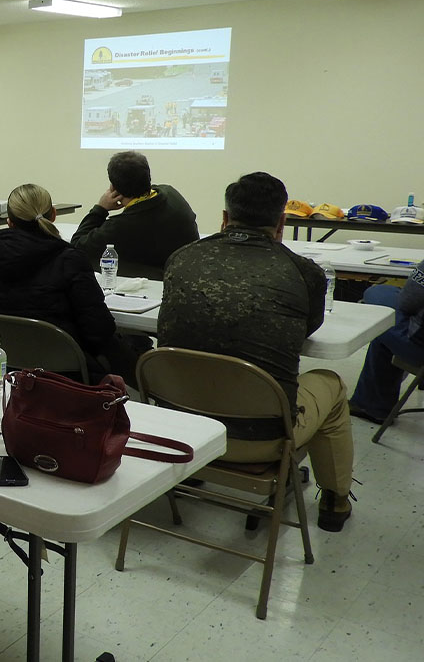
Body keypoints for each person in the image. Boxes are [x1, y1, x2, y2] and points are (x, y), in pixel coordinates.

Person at [159, 172, 356, 532]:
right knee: (331, 383)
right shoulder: (303, 272)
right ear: (282, 222)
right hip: (260, 439)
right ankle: (335, 501)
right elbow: (303, 331)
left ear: (224, 217)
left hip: (181, 425)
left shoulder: (182, 258)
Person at [0, 183, 134, 382]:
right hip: (69, 374)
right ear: (53, 214)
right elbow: (99, 330)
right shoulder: (70, 259)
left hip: (13, 369)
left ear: (9, 222)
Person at [69, 151, 199, 279]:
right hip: (189, 277)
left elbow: (76, 248)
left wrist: (100, 209)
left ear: (113, 187)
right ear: (147, 176)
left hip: (158, 286)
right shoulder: (171, 193)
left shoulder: (121, 226)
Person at [346, 261, 424, 424]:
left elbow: (407, 301)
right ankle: (371, 403)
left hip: (419, 350)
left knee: (378, 301)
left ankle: (372, 406)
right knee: (389, 316)